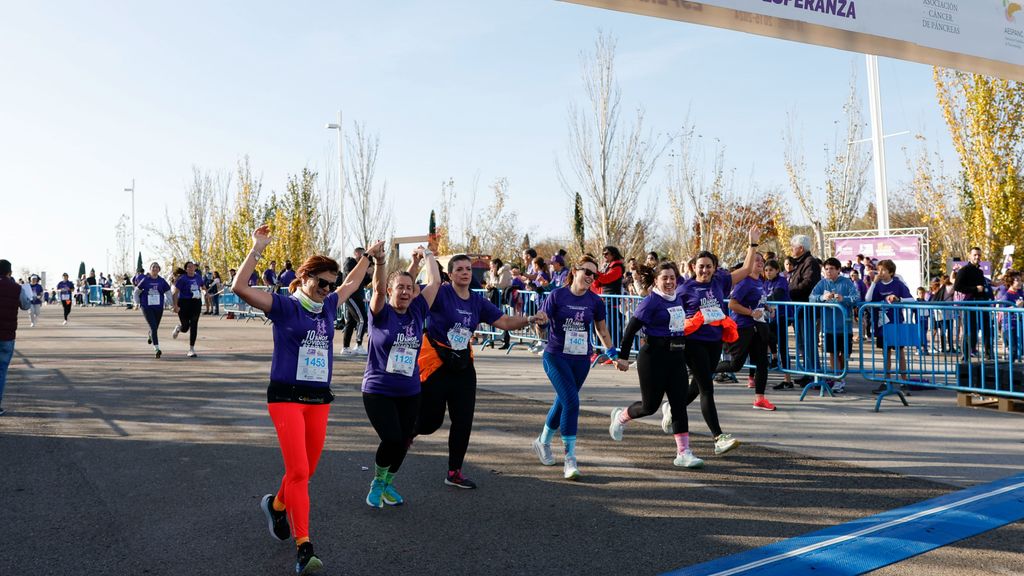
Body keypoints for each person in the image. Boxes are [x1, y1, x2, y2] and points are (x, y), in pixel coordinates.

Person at [233, 225, 378, 576]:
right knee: (298, 471)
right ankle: (304, 547)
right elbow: (239, 287)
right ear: (305, 277)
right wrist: (258, 248)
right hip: (285, 397)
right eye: (321, 283)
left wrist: (371, 258)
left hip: (318, 398)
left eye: (331, 284)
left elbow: (353, 284)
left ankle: (278, 505)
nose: (327, 290)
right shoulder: (284, 306)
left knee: (307, 470)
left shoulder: (328, 307)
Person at [415, 254, 545, 487]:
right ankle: (406, 435)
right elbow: (412, 293)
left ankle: (454, 472)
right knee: (430, 422)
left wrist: (529, 319)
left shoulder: (477, 301)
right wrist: (419, 262)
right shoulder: (440, 293)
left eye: (468, 269)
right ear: (451, 274)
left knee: (463, 421)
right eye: (460, 269)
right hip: (436, 362)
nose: (465, 272)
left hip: (462, 364)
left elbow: (504, 322)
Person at [656, 227, 762, 457]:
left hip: (715, 342)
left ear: (714, 268)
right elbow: (670, 313)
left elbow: (745, 270)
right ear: (693, 267)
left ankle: (673, 408)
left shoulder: (720, 281)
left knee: (698, 384)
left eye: (708, 266)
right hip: (693, 343)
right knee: (706, 388)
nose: (704, 270)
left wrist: (752, 245)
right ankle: (718, 437)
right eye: (700, 266)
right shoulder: (685, 289)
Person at [361, 244, 440, 508]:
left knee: (404, 441)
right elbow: (379, 288)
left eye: (409, 288)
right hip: (378, 390)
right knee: (392, 439)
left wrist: (426, 256)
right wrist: (381, 262)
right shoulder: (380, 313)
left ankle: (388, 483)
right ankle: (376, 483)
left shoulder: (417, 311)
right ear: (390, 291)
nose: (405, 292)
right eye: (400, 288)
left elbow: (436, 280)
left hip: (409, 391)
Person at [610, 262, 704, 467]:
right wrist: (623, 357)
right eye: (665, 278)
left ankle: (683, 452)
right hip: (653, 357)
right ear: (656, 281)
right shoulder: (651, 301)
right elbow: (630, 329)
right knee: (649, 406)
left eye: (672, 278)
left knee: (679, 405)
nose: (669, 282)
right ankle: (621, 416)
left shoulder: (678, 297)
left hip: (676, 356)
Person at [530, 256, 615, 480]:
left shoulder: (595, 302)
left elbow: (602, 330)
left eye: (594, 275)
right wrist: (541, 324)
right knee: (571, 401)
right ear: (575, 271)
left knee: (563, 401)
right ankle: (570, 458)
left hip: (581, 359)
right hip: (556, 356)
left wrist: (613, 353)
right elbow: (543, 323)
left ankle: (542, 442)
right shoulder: (558, 295)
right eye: (586, 272)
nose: (590, 277)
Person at [713, 253, 776, 409]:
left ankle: (760, 399)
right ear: (748, 264)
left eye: (762, 260)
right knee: (735, 365)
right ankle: (704, 368)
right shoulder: (744, 283)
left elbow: (756, 302)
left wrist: (766, 307)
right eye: (756, 260)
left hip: (757, 328)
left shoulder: (759, 282)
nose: (760, 263)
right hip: (742, 328)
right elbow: (732, 304)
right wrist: (750, 313)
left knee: (762, 362)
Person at [809, 258, 860, 392]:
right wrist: (822, 298)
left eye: (832, 269)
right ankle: (837, 380)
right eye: (826, 269)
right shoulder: (822, 283)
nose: (828, 271)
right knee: (832, 353)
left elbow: (856, 297)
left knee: (843, 354)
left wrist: (844, 299)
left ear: (838, 270)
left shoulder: (847, 282)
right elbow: (811, 297)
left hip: (844, 327)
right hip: (828, 326)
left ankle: (840, 376)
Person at [865, 259, 913, 390]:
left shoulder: (898, 284)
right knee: (886, 354)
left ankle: (904, 381)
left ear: (891, 272)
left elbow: (911, 299)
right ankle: (887, 381)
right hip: (882, 326)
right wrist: (874, 282)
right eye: (879, 269)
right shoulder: (877, 285)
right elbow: (867, 299)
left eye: (883, 270)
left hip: (897, 323)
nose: (880, 272)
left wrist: (898, 299)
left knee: (900, 353)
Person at [787, 235, 822, 386]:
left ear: (801, 248)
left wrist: (790, 291)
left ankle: (815, 373)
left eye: (793, 246)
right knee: (801, 343)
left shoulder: (810, 262)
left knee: (809, 342)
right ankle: (807, 372)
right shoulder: (801, 263)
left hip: (807, 310)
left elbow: (808, 283)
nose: (791, 250)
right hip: (799, 310)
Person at [0, 260, 31, 415]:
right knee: (1, 370)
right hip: (7, 335)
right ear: (9, 273)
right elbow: (26, 305)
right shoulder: (16, 288)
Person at [953, 247, 994, 360]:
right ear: (969, 256)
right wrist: (975, 289)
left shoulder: (980, 271)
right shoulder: (964, 270)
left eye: (979, 255)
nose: (977, 257)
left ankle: (988, 353)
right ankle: (965, 355)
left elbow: (984, 287)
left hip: (982, 304)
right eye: (975, 255)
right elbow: (957, 287)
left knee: (986, 328)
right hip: (969, 305)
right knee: (969, 330)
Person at [340, 248, 372, 355]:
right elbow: (352, 277)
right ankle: (358, 345)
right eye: (363, 254)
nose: (364, 257)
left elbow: (363, 282)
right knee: (362, 319)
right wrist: (364, 271)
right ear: (357, 253)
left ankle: (345, 347)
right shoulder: (350, 262)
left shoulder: (360, 266)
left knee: (351, 321)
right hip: (351, 295)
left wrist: (370, 274)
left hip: (358, 296)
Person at [137, 262, 172, 358]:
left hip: (158, 307)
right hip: (146, 307)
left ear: (159, 270)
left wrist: (171, 303)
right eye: (153, 267)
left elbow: (168, 292)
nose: (155, 269)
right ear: (150, 269)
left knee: (155, 327)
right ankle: (156, 348)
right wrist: (137, 302)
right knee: (153, 327)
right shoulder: (145, 280)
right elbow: (137, 291)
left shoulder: (161, 281)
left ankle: (150, 334)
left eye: (157, 267)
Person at [171, 262, 204, 358]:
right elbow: (175, 293)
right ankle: (178, 328)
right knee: (185, 327)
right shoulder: (182, 279)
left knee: (194, 324)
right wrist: (175, 305)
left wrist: (205, 292)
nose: (191, 268)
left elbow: (202, 286)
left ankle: (191, 349)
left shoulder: (198, 277)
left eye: (192, 266)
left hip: (196, 303)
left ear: (195, 268)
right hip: (184, 303)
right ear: (186, 269)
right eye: (189, 267)